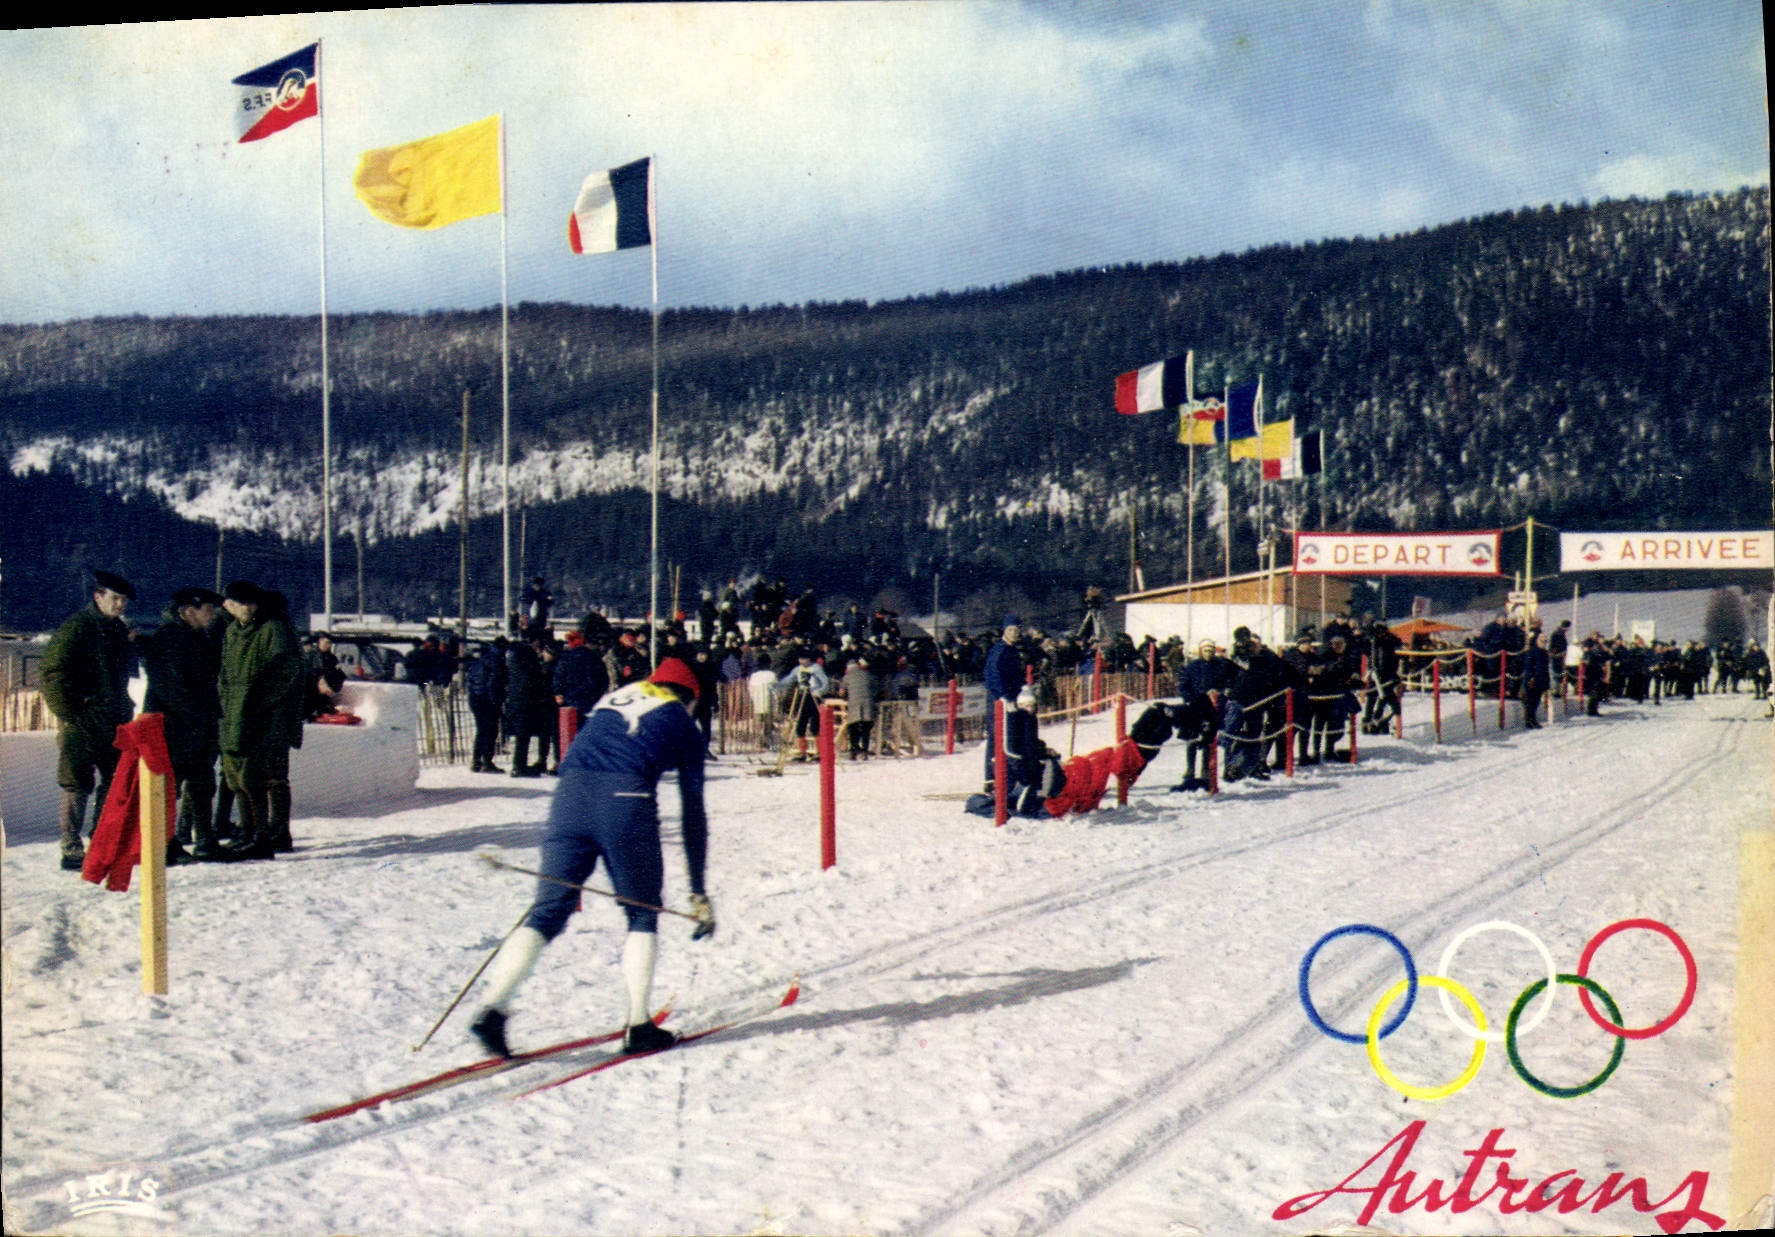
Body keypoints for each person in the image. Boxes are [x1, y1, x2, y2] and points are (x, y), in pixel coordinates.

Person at [468, 657, 716, 1058]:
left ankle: (492, 1009)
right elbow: (693, 812)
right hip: (626, 801)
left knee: (546, 911)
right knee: (641, 912)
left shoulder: (615, 697)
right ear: (691, 699)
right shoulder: (683, 722)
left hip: (569, 798)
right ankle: (638, 1025)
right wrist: (698, 891)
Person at [41, 570, 138, 871]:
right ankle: (71, 848)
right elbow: (52, 675)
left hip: (112, 721)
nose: (120, 605)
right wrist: (71, 715)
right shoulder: (77, 628)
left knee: (112, 781)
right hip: (81, 722)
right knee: (76, 784)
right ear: (98, 597)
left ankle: (101, 842)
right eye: (115, 598)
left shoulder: (117, 630)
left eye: (123, 600)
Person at [138, 586, 226, 861]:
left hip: (196, 726)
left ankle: (204, 840)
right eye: (208, 610)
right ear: (189, 612)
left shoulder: (198, 637)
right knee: (168, 788)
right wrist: (195, 719)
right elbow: (171, 688)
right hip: (174, 728)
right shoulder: (170, 639)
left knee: (201, 783)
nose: (213, 615)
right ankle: (164, 845)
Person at [218, 580, 304, 859]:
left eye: (250, 604)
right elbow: (227, 673)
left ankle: (271, 833)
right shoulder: (234, 631)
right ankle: (251, 831)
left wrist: (257, 701)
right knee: (241, 775)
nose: (247, 610)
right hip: (239, 714)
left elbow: (284, 669)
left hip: (270, 717)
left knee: (268, 776)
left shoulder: (273, 629)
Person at [981, 620, 1025, 790]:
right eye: (1011, 630)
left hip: (1012, 697)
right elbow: (993, 675)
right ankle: (992, 777)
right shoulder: (999, 650)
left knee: (1008, 735)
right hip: (999, 700)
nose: (1015, 633)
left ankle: (1005, 776)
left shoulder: (1013, 650)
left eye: (1017, 630)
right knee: (997, 735)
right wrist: (1004, 697)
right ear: (1005, 631)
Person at [777, 648, 830, 762]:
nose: (802, 662)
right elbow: (789, 680)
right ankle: (802, 751)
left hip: (813, 697)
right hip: (802, 697)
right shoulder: (798, 669)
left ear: (809, 659)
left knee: (815, 725)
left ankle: (819, 752)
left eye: (804, 659)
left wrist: (819, 691)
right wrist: (778, 685)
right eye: (800, 659)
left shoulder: (816, 668)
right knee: (800, 724)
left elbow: (825, 683)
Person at [465, 638, 509, 773]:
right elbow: (493, 682)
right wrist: (496, 700)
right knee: (491, 731)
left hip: (475, 698)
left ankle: (476, 760)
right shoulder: (497, 661)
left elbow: (470, 680)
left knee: (481, 730)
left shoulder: (481, 660)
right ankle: (487, 762)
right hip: (488, 700)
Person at [839, 655, 878, 760]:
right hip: (868, 705)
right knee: (866, 729)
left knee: (853, 728)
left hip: (854, 705)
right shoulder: (868, 675)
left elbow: (842, 693)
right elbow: (876, 689)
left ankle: (853, 750)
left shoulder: (846, 677)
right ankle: (864, 751)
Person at [1521, 629, 1552, 728]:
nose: (1544, 643)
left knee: (1536, 701)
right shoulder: (1531, 652)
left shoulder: (1544, 652)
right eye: (1542, 641)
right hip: (1532, 680)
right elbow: (1528, 666)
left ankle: (1533, 719)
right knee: (1530, 701)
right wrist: (1530, 678)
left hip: (1541, 680)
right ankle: (1529, 721)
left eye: (1545, 641)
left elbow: (1546, 668)